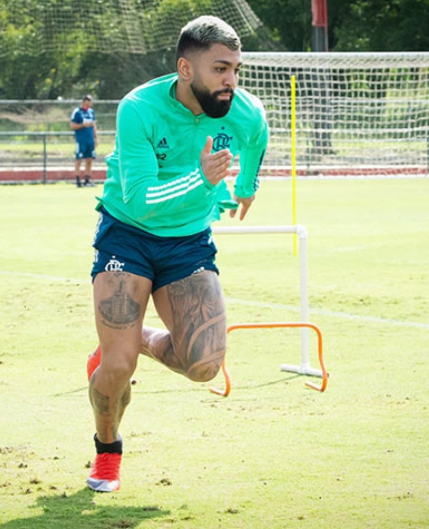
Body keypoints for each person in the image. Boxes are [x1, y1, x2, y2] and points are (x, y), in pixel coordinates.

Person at [84, 15, 269, 493]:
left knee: (204, 365)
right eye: (220, 69)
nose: (230, 81)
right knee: (118, 367)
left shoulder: (242, 109)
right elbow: (141, 196)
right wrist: (204, 180)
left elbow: (258, 133)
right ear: (186, 69)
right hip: (128, 233)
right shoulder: (138, 108)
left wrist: (246, 184)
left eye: (235, 70)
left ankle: (135, 338)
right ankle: (108, 452)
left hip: (188, 241)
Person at [70, 95, 97, 187]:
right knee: (79, 159)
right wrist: (83, 125)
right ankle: (78, 180)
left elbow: (93, 125)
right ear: (84, 102)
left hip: (90, 140)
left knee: (89, 160)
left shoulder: (91, 112)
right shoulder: (77, 112)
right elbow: (72, 125)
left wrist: (95, 138)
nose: (89, 104)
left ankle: (87, 180)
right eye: (88, 102)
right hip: (81, 140)